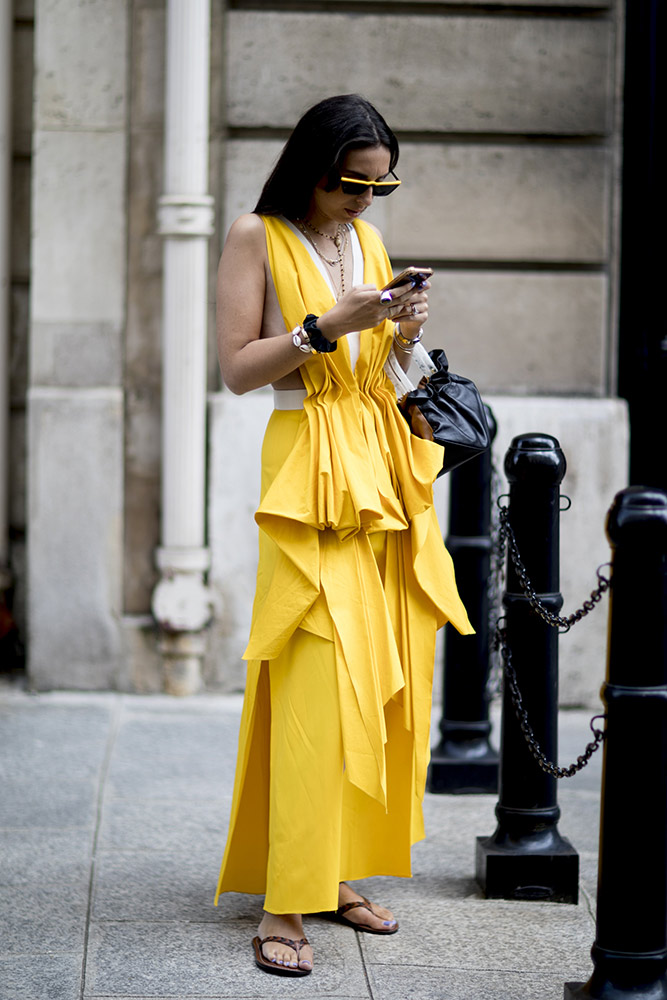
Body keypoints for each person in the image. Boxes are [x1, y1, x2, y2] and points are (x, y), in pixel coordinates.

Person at [214, 94, 472, 978]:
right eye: (352, 181)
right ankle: (284, 900)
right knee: (315, 670)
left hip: (377, 460)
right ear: (311, 168)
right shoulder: (257, 235)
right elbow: (238, 371)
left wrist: (403, 337)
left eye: (381, 183)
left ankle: (330, 874)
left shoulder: (364, 243)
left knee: (374, 671)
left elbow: (388, 375)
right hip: (306, 467)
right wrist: (325, 328)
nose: (367, 198)